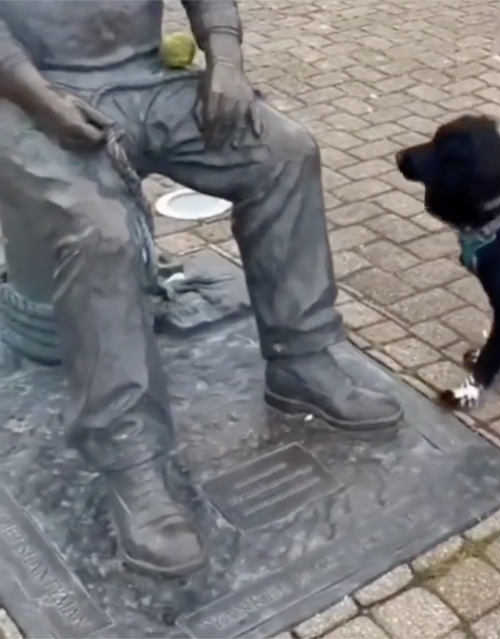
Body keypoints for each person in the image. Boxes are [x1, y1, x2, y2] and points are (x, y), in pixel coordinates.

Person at [0, 0, 403, 578]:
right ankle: (132, 459)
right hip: (28, 99)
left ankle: (302, 357)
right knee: (101, 232)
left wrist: (227, 58)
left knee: (284, 152)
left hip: (148, 82)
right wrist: (40, 99)